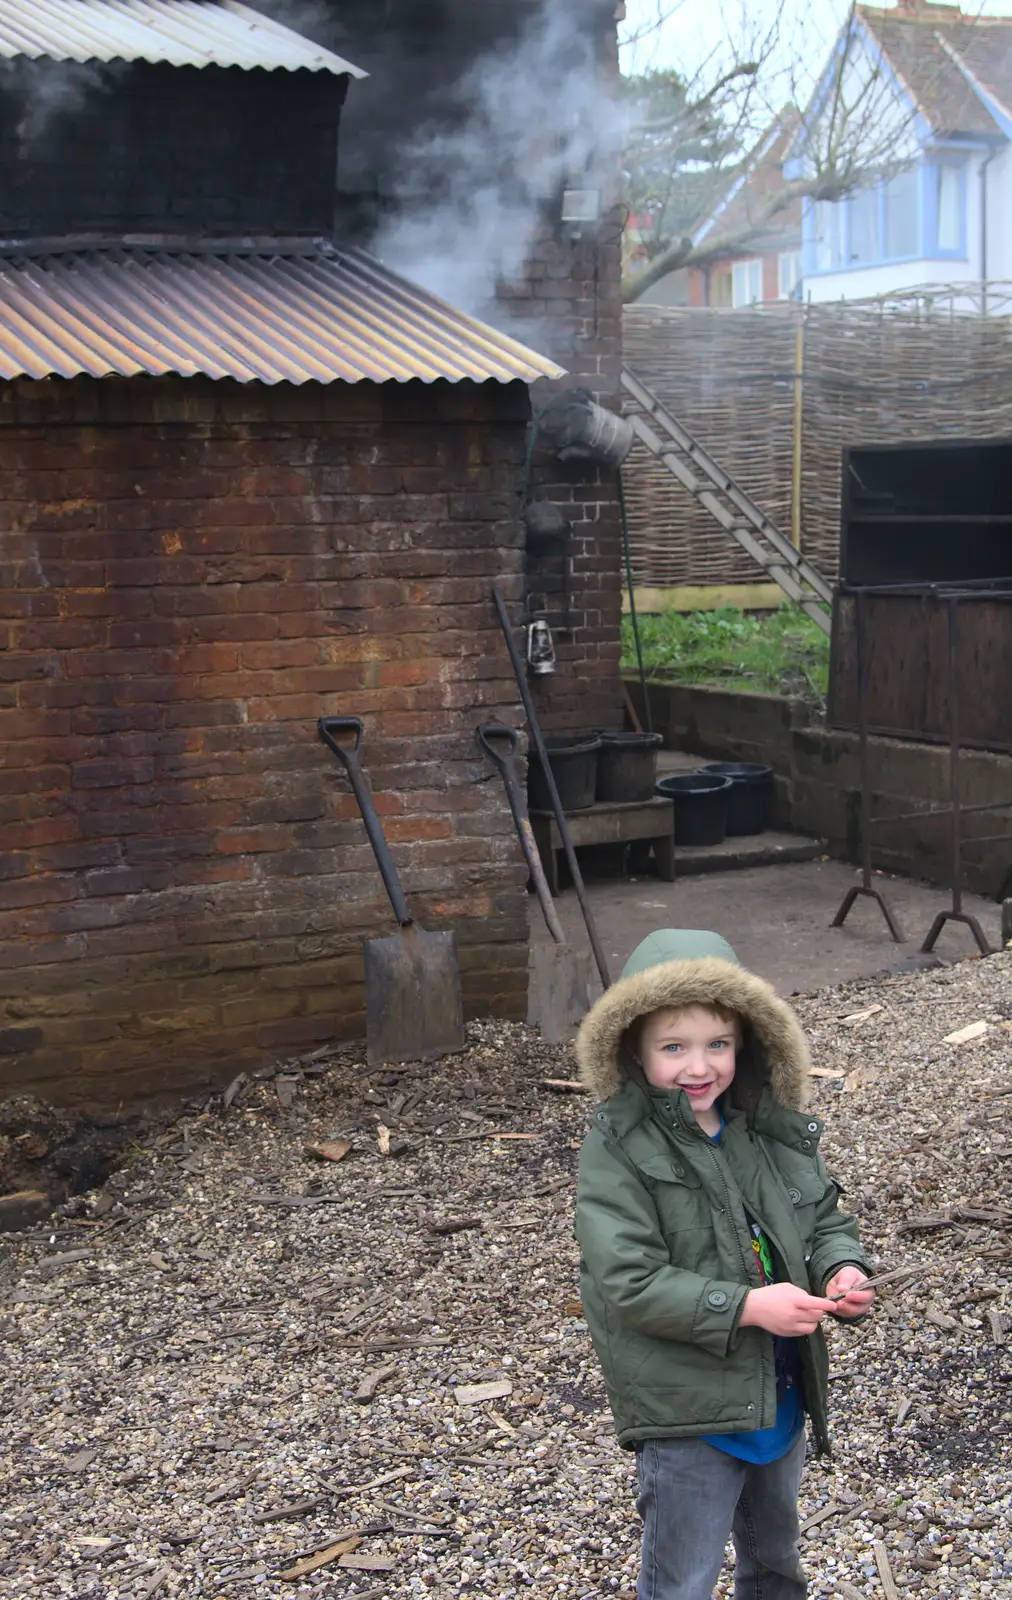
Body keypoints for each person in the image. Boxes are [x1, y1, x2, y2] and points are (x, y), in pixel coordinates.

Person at [573, 930, 874, 1600]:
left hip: (780, 1392)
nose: (698, 1066)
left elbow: (822, 1219)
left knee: (775, 1560)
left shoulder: (765, 1128)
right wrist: (744, 1306)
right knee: (683, 1579)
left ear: (748, 1042)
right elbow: (629, 1280)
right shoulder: (618, 1150)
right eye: (673, 1047)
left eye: (718, 1044)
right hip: (689, 1414)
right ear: (632, 1048)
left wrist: (840, 1270)